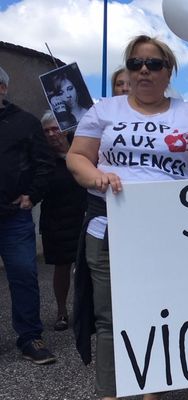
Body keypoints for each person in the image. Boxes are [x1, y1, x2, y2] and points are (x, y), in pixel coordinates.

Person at [66, 35, 188, 400]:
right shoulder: (105, 109)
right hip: (109, 226)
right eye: (136, 63)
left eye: (153, 64)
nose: (143, 71)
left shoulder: (187, 114)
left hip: (169, 231)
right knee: (109, 317)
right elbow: (77, 157)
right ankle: (110, 392)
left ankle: (150, 390)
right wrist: (96, 177)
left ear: (168, 72)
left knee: (158, 312)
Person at [0, 66, 57, 365]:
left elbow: (44, 163)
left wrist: (31, 196)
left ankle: (30, 337)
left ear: (3, 88)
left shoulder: (26, 122)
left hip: (14, 216)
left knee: (23, 275)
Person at [39, 111, 86, 332]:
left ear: (65, 129)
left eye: (55, 128)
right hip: (56, 218)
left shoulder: (81, 150)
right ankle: (61, 311)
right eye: (46, 130)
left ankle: (88, 310)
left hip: (82, 214)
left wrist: (68, 155)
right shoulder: (42, 157)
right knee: (61, 267)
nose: (51, 134)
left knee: (88, 267)